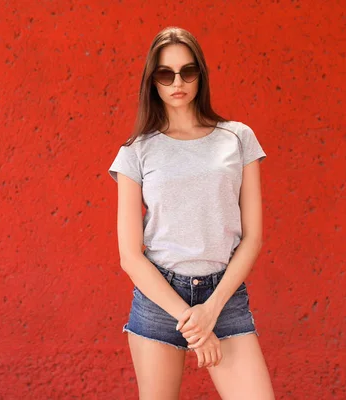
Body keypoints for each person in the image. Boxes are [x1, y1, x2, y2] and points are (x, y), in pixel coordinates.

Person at [107, 26, 276, 399]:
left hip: (224, 295)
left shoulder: (237, 138)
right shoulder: (136, 152)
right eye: (166, 74)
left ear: (201, 73)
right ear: (153, 82)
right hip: (159, 298)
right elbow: (129, 256)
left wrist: (210, 311)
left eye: (188, 71)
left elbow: (253, 238)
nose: (177, 82)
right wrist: (191, 321)